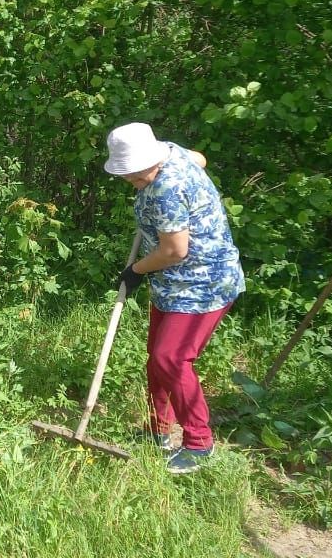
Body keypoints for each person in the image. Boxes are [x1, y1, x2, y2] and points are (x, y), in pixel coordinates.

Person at [103, 122, 244, 474]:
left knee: (171, 358)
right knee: (157, 358)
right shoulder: (168, 151)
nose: (131, 183)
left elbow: (175, 250)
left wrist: (136, 270)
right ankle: (157, 429)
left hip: (203, 282)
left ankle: (199, 442)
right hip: (173, 282)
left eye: (135, 177)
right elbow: (200, 158)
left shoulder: (166, 189)